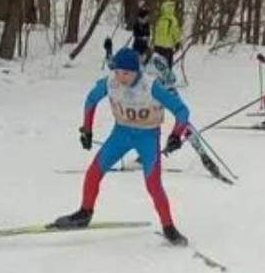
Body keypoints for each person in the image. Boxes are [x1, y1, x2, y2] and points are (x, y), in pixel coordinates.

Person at [52, 48, 192, 246]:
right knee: (94, 171)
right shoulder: (110, 82)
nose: (120, 77)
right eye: (117, 72)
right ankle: (85, 212)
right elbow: (91, 99)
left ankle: (169, 227)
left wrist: (177, 135)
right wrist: (86, 129)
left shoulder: (151, 86)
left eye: (126, 73)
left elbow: (181, 110)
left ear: (137, 71)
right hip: (121, 134)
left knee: (153, 184)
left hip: (147, 136)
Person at [152, 0, 182, 65]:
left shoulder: (159, 19)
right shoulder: (173, 19)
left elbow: (154, 31)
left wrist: (153, 42)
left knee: (157, 65)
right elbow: (176, 32)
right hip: (167, 48)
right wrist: (177, 42)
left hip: (157, 46)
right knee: (167, 66)